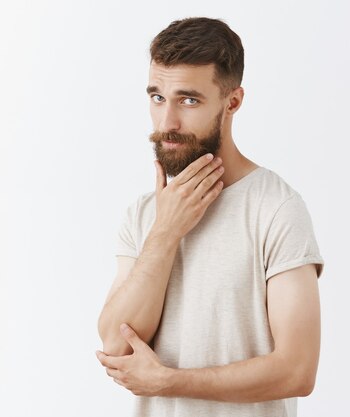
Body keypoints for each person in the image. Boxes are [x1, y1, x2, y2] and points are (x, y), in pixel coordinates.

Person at [95, 17, 324, 417]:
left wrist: (170, 382)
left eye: (189, 100)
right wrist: (165, 232)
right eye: (157, 97)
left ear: (232, 102)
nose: (167, 122)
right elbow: (116, 345)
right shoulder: (145, 215)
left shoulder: (276, 208)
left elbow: (297, 370)